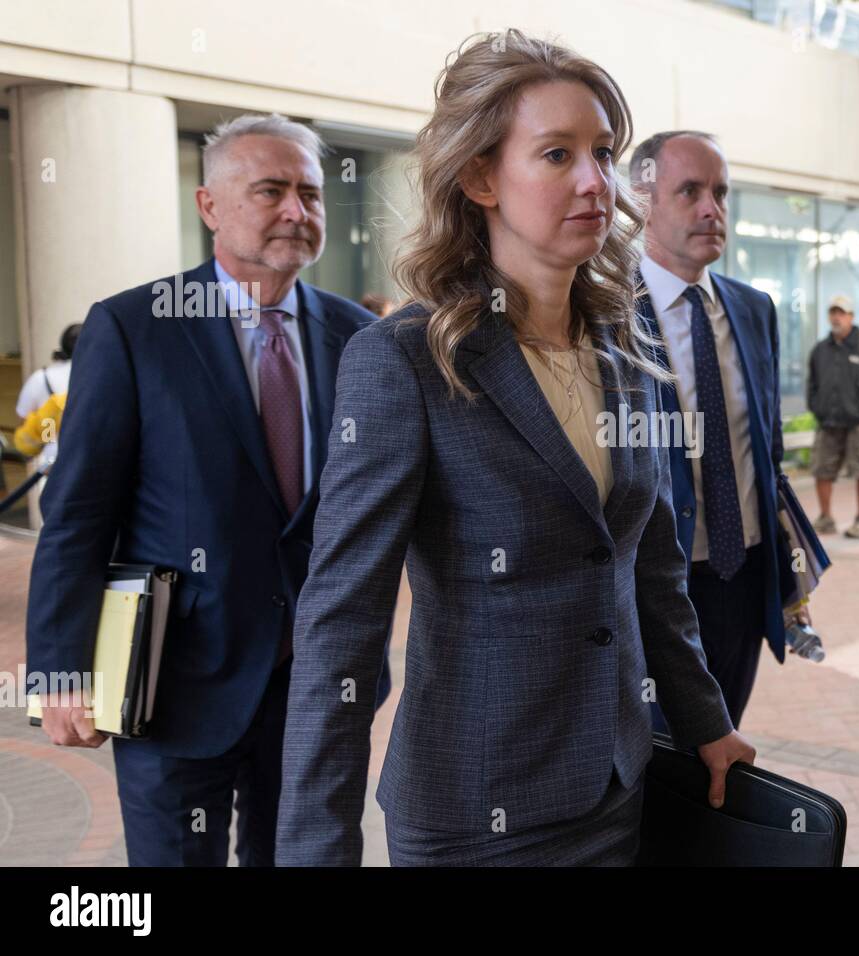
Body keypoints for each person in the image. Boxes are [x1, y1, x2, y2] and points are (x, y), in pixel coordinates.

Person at [275, 30, 753, 867]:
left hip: (617, 782)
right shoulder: (407, 361)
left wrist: (706, 722)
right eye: (558, 154)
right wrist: (316, 850)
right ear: (480, 177)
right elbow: (340, 625)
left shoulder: (625, 346)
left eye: (604, 153)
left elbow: (651, 569)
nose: (594, 182)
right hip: (474, 811)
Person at [24, 112, 385, 866]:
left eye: (311, 194)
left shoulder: (360, 338)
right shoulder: (134, 327)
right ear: (209, 207)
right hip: (173, 682)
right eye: (272, 190)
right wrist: (60, 668)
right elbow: (78, 513)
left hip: (317, 688)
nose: (297, 210)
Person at [629, 129, 801, 732]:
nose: (712, 209)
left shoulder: (754, 309)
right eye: (690, 191)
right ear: (641, 200)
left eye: (721, 193)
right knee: (665, 765)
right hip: (657, 588)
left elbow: (767, 447)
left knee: (727, 750)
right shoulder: (604, 313)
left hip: (745, 577)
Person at [807, 294, 859, 539]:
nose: (836, 317)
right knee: (822, 470)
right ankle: (826, 518)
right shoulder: (820, 349)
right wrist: (817, 407)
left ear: (851, 317)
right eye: (833, 312)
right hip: (828, 421)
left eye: (842, 312)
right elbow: (812, 383)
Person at [15, 323, 79, 468]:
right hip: (91, 457)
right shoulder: (98, 375)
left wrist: (48, 434)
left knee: (48, 424)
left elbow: (22, 416)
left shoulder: (42, 377)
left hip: (52, 460)